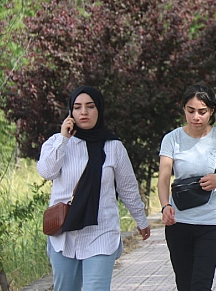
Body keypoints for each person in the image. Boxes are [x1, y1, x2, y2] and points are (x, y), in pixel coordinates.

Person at [38, 86, 151, 291]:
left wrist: (141, 220)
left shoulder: (113, 146)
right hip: (63, 234)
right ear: (70, 112)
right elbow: (46, 172)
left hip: (101, 232)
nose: (83, 112)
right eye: (77, 107)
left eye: (90, 107)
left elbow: (127, 188)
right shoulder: (57, 142)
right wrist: (64, 139)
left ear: (99, 109)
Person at [157, 84, 216, 291]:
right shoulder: (172, 139)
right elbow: (164, 177)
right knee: (184, 285)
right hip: (179, 221)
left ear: (211, 111)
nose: (196, 117)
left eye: (202, 112)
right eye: (190, 110)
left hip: (212, 221)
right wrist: (165, 206)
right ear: (183, 109)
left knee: (201, 284)